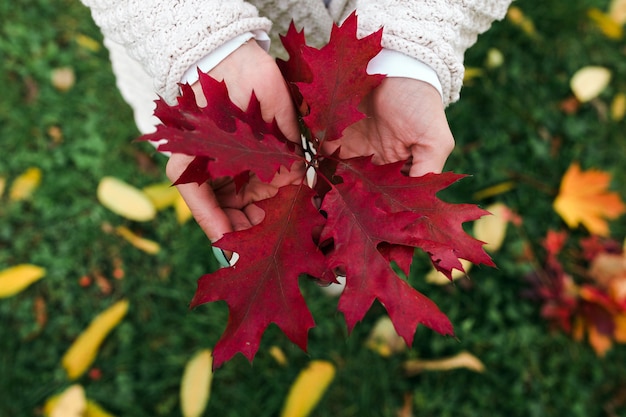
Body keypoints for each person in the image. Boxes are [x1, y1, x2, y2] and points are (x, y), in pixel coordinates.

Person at [80, 0, 513, 245]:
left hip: (371, 85)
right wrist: (207, 53)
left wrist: (407, 54)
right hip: (184, 57)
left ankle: (339, 254)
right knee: (261, 198)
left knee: (342, 227)